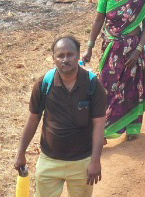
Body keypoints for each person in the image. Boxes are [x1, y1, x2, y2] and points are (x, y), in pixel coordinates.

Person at [16, 35, 108, 196]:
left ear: (78, 55)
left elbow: (99, 125)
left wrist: (95, 161)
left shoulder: (93, 85)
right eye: (60, 55)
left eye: (70, 54)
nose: (65, 59)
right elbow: (33, 119)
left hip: (82, 162)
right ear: (54, 59)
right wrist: (20, 153)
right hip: (49, 160)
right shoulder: (44, 83)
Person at [82, 0, 145, 140]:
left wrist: (138, 50)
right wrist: (89, 47)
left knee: (131, 89)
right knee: (106, 89)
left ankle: (132, 129)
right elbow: (98, 21)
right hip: (110, 51)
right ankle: (103, 130)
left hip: (132, 52)